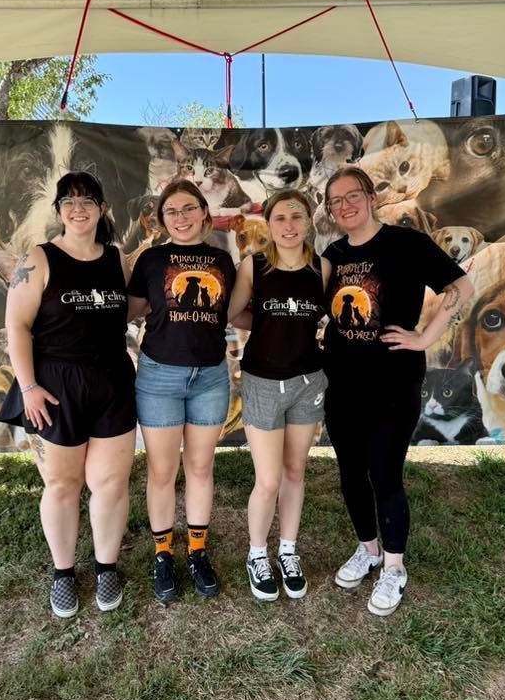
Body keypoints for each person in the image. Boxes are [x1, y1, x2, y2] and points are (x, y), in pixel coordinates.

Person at [321, 165, 474, 616]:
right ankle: (367, 550)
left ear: (371, 197)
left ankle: (393, 567)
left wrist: (426, 336)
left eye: (352, 196)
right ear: (330, 212)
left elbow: (461, 285)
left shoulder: (407, 244)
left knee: (384, 472)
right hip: (342, 381)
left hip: (393, 381)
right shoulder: (332, 253)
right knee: (350, 473)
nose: (345, 206)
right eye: (336, 202)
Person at [0, 171, 136, 618]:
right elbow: (15, 326)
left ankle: (106, 567)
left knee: (111, 483)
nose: (79, 209)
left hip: (113, 382)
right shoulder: (38, 260)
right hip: (54, 388)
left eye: (88, 200)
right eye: (70, 201)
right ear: (58, 211)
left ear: (102, 209)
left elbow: (137, 307)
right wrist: (28, 387)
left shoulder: (119, 261)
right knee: (62, 485)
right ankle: (63, 573)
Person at [127, 179, 236, 603]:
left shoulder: (222, 261)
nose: (181, 217)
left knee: (201, 466)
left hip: (209, 376)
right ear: (162, 219)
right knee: (161, 470)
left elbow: (236, 310)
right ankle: (162, 553)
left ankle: (196, 550)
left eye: (189, 208)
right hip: (159, 378)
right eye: (172, 211)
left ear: (204, 214)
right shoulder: (151, 260)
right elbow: (132, 310)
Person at [227, 189, 330, 602]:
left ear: (308, 222)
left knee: (295, 472)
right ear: (268, 224)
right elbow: (234, 312)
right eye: (280, 218)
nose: (289, 225)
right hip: (264, 382)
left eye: (296, 217)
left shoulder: (323, 268)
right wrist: (266, 324)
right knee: (268, 480)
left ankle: (288, 550)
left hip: (308, 382)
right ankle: (257, 553)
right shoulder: (254, 266)